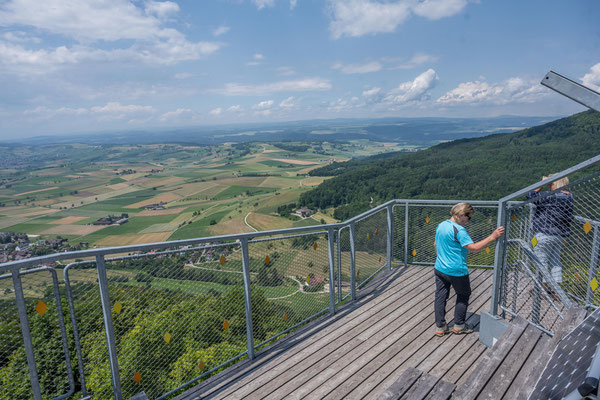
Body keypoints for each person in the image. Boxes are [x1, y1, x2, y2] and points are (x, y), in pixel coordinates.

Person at [434, 202, 505, 337]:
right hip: (456, 270)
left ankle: (440, 327)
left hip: (439, 267)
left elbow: (435, 243)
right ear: (461, 215)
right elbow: (473, 248)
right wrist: (493, 236)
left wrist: (441, 258)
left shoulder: (441, 225)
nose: (468, 220)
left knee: (440, 296)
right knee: (463, 295)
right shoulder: (459, 230)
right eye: (469, 217)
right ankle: (459, 325)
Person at [526, 175, 574, 294]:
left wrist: (540, 185)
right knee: (555, 262)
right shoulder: (569, 196)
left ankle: (541, 289)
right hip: (560, 235)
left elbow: (530, 196)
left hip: (544, 233)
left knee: (541, 261)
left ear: (555, 183)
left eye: (550, 183)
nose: (549, 185)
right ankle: (556, 290)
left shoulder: (551, 196)